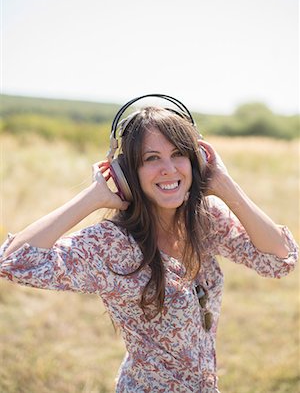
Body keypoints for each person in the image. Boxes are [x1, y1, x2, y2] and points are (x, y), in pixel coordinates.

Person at [0, 96, 298, 393]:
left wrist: (224, 183)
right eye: (151, 158)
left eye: (179, 154)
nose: (168, 169)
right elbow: (13, 262)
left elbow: (279, 260)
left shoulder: (206, 220)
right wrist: (93, 196)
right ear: (129, 172)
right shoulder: (113, 244)